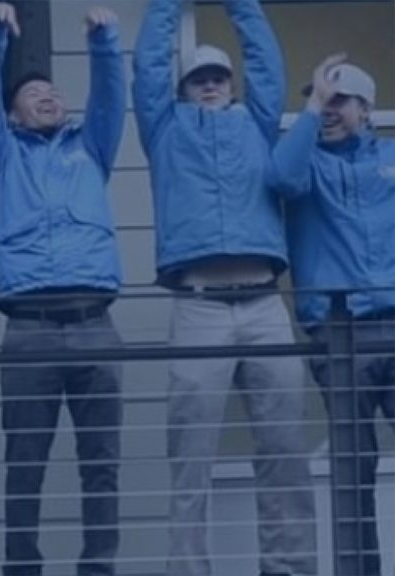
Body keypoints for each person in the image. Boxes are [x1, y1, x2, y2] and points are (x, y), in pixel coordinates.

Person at [135, 1, 317, 575]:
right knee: (190, 457)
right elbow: (146, 66)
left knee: (284, 449)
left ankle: (288, 569)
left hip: (265, 303)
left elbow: (266, 63)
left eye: (218, 77)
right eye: (198, 79)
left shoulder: (255, 124)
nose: (210, 85)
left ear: (233, 85)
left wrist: (241, 5)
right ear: (183, 90)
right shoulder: (164, 129)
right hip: (199, 309)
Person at [0, 5, 127, 575]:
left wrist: (104, 41)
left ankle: (98, 569)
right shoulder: (1, 154)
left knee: (102, 464)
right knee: (25, 464)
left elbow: (111, 94)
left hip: (96, 324)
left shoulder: (93, 147)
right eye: (33, 93)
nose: (48, 96)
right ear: (12, 114)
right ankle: (21, 569)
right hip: (28, 329)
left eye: (53, 91)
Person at [273, 54, 388, 576]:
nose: (329, 110)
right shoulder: (305, 163)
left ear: (366, 107)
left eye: (340, 101)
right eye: (322, 100)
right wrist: (311, 106)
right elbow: (280, 177)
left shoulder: (390, 160)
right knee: (353, 468)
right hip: (338, 335)